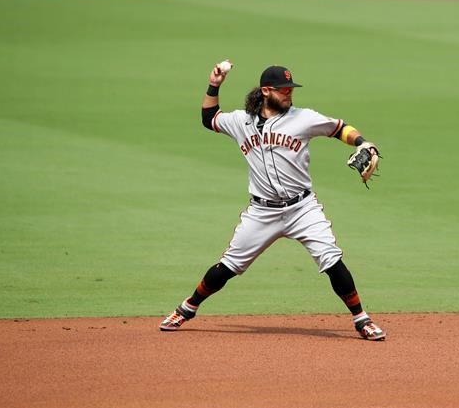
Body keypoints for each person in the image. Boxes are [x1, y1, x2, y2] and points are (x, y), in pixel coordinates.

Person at [159, 62, 385, 341]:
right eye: (284, 90)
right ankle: (187, 308)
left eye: (291, 89)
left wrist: (362, 142)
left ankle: (361, 319)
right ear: (266, 91)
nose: (289, 94)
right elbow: (210, 118)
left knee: (332, 260)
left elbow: (338, 128)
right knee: (228, 266)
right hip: (261, 212)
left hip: (302, 209)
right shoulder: (241, 121)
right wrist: (214, 84)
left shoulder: (304, 118)